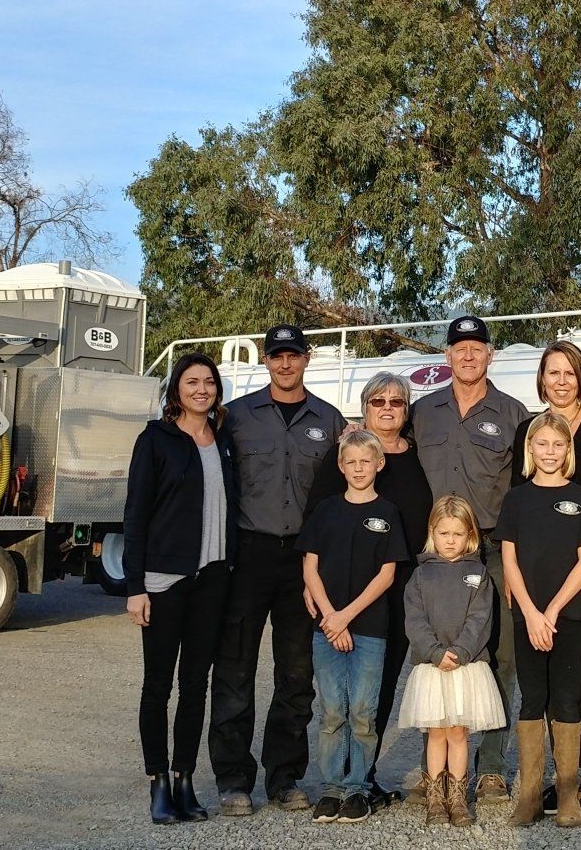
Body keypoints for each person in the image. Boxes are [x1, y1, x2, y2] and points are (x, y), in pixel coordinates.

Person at [210, 325, 347, 816]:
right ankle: (232, 780)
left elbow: (338, 499)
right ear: (266, 360)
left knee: (296, 674)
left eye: (293, 355)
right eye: (277, 356)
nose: (285, 364)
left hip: (303, 563)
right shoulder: (237, 417)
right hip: (249, 555)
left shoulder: (329, 420)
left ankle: (285, 778)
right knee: (235, 670)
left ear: (307, 359)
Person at [411, 314, 529, 801]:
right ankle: (432, 769)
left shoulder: (513, 412)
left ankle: (492, 767)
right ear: (447, 355)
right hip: (435, 555)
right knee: (431, 655)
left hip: (495, 551)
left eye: (476, 347)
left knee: (496, 656)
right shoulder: (424, 412)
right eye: (458, 347)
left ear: (489, 354)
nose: (467, 355)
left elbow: (526, 486)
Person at [305, 372, 433, 805]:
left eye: (396, 402)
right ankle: (337, 780)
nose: (387, 409)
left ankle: (363, 777)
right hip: (342, 593)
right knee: (337, 696)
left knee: (377, 685)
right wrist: (311, 590)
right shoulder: (344, 453)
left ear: (406, 409)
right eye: (378, 402)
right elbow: (315, 525)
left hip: (400, 588)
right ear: (365, 407)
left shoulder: (416, 455)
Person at [122, 352, 239, 825]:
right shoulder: (155, 440)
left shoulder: (222, 440)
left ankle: (186, 778)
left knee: (196, 685)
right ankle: (158, 783)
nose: (201, 390)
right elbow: (136, 515)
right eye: (192, 382)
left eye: (209, 382)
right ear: (176, 390)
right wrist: (135, 586)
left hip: (212, 579)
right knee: (158, 685)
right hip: (165, 581)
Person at [514, 340, 581, 818]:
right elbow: (519, 515)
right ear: (542, 379)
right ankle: (542, 784)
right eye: (552, 372)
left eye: (569, 373)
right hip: (536, 582)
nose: (561, 381)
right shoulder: (529, 430)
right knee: (538, 686)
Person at [499, 412, 581, 829]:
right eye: (541, 444)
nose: (549, 452)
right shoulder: (517, 499)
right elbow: (509, 558)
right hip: (526, 615)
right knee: (531, 698)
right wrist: (529, 612)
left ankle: (566, 795)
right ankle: (528, 795)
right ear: (530, 449)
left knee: (565, 700)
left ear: (568, 450)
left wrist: (553, 611)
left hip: (566, 616)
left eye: (557, 445)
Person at [299, 430, 410, 824]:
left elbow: (386, 574)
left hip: (369, 628)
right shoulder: (326, 510)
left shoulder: (387, 512)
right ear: (341, 466)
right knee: (332, 710)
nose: (359, 469)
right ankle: (331, 788)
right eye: (351, 462)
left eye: (367, 461)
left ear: (379, 464)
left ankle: (358, 788)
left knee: (363, 710)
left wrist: (346, 616)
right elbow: (310, 565)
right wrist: (330, 616)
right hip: (326, 628)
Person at [398, 495, 504, 827]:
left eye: (457, 534)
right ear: (433, 532)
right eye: (444, 534)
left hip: (465, 666)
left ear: (469, 534)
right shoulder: (420, 575)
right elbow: (414, 620)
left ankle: (457, 798)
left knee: (458, 732)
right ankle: (435, 798)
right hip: (432, 668)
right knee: (437, 732)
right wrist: (434, 652)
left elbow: (480, 619)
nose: (450, 541)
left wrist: (459, 651)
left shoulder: (478, 573)